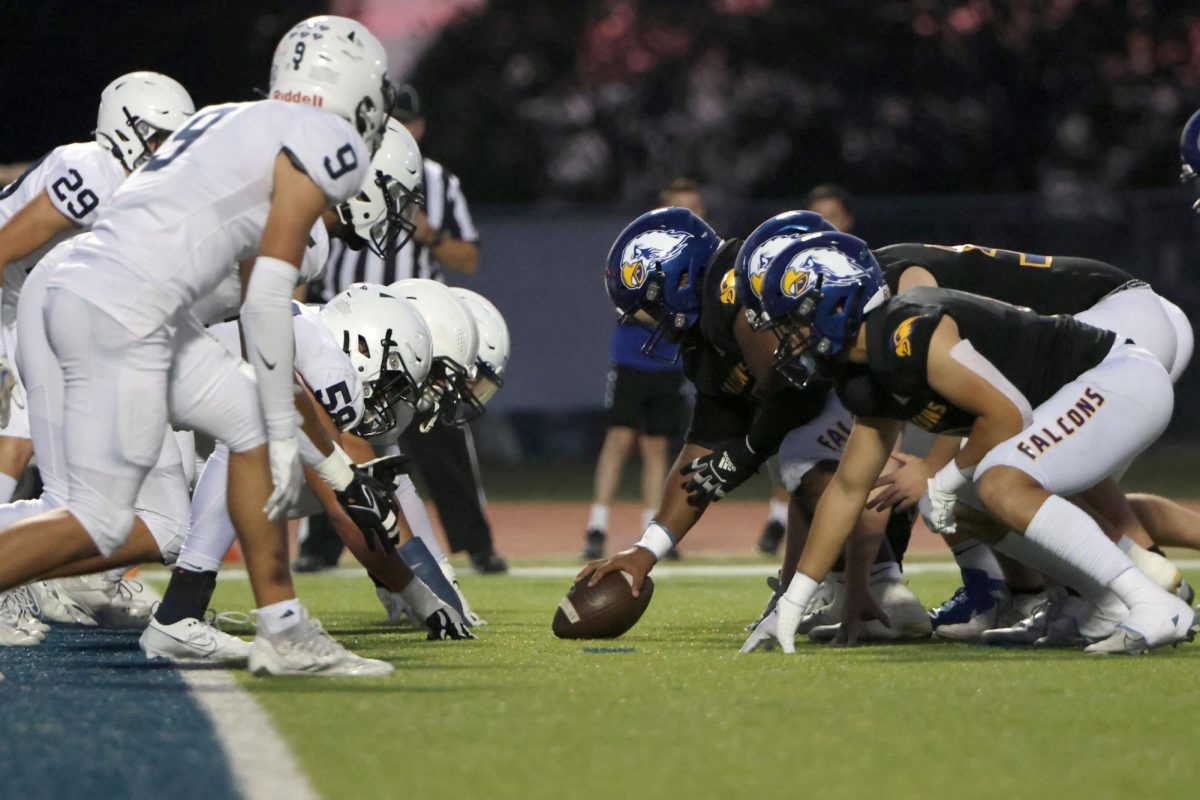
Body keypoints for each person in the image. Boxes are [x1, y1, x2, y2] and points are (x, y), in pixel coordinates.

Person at [0, 16, 402, 677]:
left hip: (98, 289)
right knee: (101, 518)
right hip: (120, 303)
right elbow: (269, 295)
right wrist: (290, 433)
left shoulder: (229, 120)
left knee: (244, 421)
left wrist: (315, 457)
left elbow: (249, 300)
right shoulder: (323, 139)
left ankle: (283, 630)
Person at [742, 231, 1195, 655]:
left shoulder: (909, 326)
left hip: (1119, 377)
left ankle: (1151, 600)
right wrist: (794, 599)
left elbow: (1007, 413)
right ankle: (1107, 606)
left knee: (1000, 484)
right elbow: (847, 489)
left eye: (792, 321)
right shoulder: (861, 373)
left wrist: (946, 477)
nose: (786, 339)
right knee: (964, 507)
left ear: (833, 306)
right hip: (1079, 390)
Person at [0, 71, 195, 645]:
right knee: (28, 461)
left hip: (44, 318)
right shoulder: (93, 169)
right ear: (125, 129)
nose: (167, 156)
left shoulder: (143, 193)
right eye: (158, 139)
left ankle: (58, 578)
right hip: (11, 309)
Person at [305, 84, 507, 573]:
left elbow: (470, 256)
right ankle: (320, 545)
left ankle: (475, 542)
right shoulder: (339, 168)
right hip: (347, 326)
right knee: (332, 433)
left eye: (408, 121)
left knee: (441, 435)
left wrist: (428, 233)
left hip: (419, 331)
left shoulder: (438, 183)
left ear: (419, 128)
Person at [581, 179, 696, 561]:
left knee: (657, 447)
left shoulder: (701, 256)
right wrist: (673, 318)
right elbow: (626, 301)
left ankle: (653, 529)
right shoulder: (640, 250)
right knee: (618, 439)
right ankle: (597, 525)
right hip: (632, 358)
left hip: (670, 362)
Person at [757, 184, 856, 555]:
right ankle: (783, 524)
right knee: (797, 446)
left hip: (859, 384)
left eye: (831, 216)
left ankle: (874, 572)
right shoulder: (798, 271)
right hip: (820, 376)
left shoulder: (863, 267)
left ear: (846, 220)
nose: (825, 225)